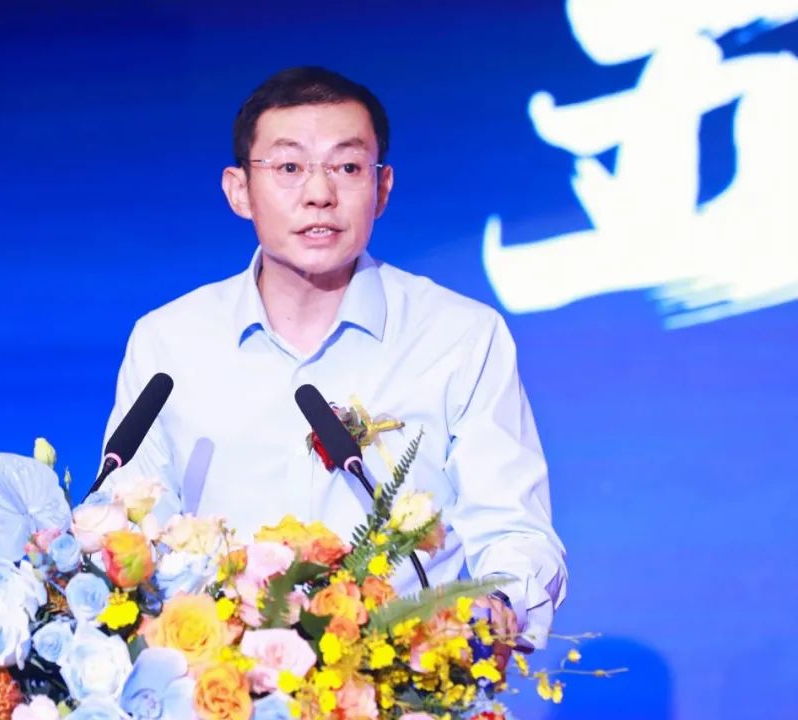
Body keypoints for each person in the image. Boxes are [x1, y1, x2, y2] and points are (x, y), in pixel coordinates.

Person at [100, 66, 567, 652]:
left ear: (383, 187)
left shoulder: (459, 336)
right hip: (218, 680)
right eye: (289, 168)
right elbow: (130, 527)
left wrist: (498, 603)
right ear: (239, 190)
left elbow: (513, 526)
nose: (319, 194)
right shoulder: (170, 341)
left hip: (405, 677)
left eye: (347, 167)